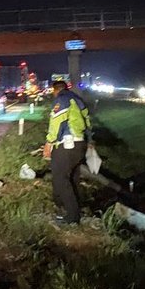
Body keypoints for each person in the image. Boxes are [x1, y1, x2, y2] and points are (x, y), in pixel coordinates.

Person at [43, 81, 92, 225]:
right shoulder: (77, 100)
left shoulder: (62, 99)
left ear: (55, 90)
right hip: (80, 144)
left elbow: (56, 123)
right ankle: (76, 209)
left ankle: (71, 216)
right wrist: (89, 141)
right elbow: (88, 122)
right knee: (73, 178)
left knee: (60, 179)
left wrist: (49, 142)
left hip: (67, 145)